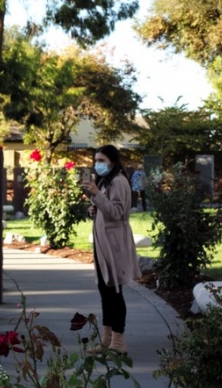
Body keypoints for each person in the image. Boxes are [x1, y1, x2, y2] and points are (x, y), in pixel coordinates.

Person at [81, 145, 141, 354]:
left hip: (114, 244)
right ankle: (107, 340)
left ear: (112, 162)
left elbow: (117, 212)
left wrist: (97, 194)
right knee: (105, 290)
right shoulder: (107, 181)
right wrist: (94, 209)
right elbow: (106, 208)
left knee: (114, 291)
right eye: (96, 160)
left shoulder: (119, 181)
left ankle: (119, 342)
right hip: (103, 243)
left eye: (102, 160)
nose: (97, 164)